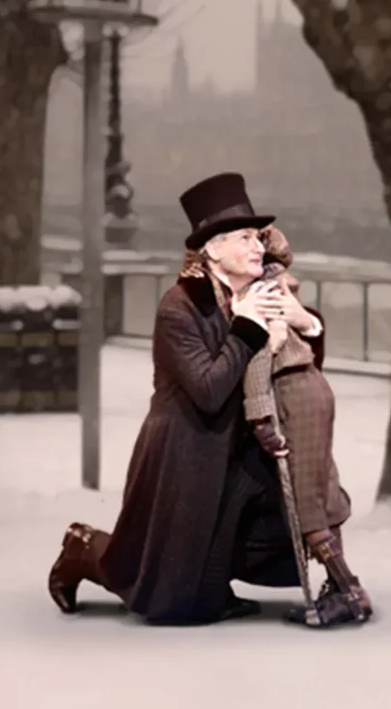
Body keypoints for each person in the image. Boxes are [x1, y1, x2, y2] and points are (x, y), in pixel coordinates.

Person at [45, 172, 327, 625]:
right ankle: (85, 549)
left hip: (240, 449)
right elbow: (208, 390)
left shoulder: (262, 294)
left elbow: (301, 368)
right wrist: (248, 328)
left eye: (258, 237)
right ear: (212, 249)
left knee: (286, 518)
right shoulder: (179, 307)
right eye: (243, 238)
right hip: (186, 452)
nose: (258, 246)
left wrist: (305, 322)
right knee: (165, 599)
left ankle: (209, 580)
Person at [243, 224, 373, 626]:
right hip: (311, 387)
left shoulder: (261, 292)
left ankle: (349, 590)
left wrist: (259, 417)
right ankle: (341, 588)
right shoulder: (280, 283)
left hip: (292, 391)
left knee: (305, 497)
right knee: (320, 485)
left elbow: (260, 356)